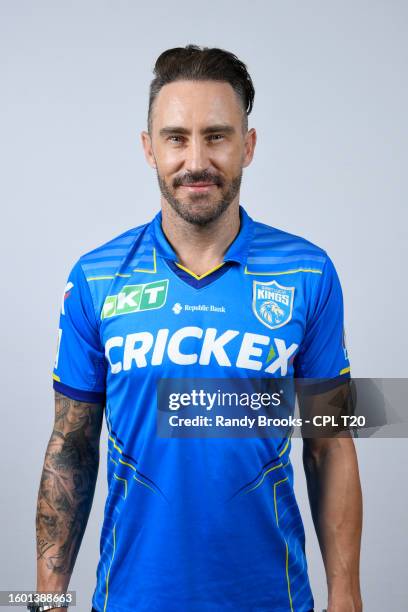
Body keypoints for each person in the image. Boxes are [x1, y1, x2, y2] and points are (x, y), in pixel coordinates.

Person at [33, 45, 363, 612]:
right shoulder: (96, 277)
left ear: (248, 145)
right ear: (149, 148)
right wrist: (44, 601)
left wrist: (346, 594)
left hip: (272, 598)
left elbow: (329, 444)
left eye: (216, 136)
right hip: (131, 599)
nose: (196, 160)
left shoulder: (309, 272)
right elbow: (71, 446)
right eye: (176, 137)